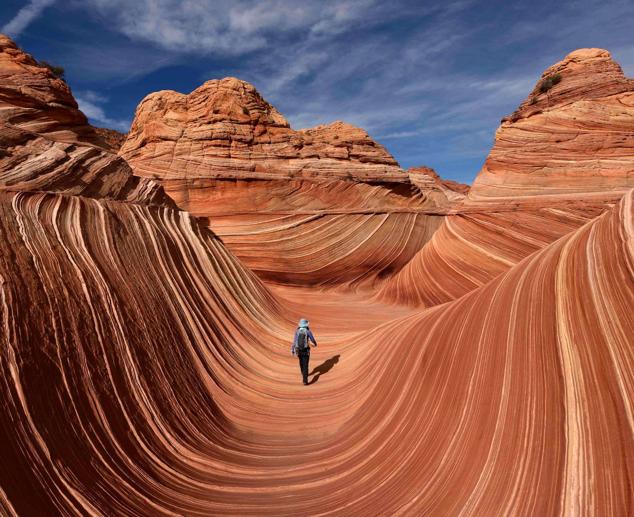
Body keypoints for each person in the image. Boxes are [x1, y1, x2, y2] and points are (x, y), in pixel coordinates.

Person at [291, 318, 317, 385]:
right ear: (306, 325)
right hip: (306, 350)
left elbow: (294, 341)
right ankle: (305, 380)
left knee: (301, 363)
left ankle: (303, 374)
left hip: (298, 350)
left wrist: (292, 349)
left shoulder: (297, 331)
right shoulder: (308, 331)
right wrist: (315, 344)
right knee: (306, 365)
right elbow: (312, 339)